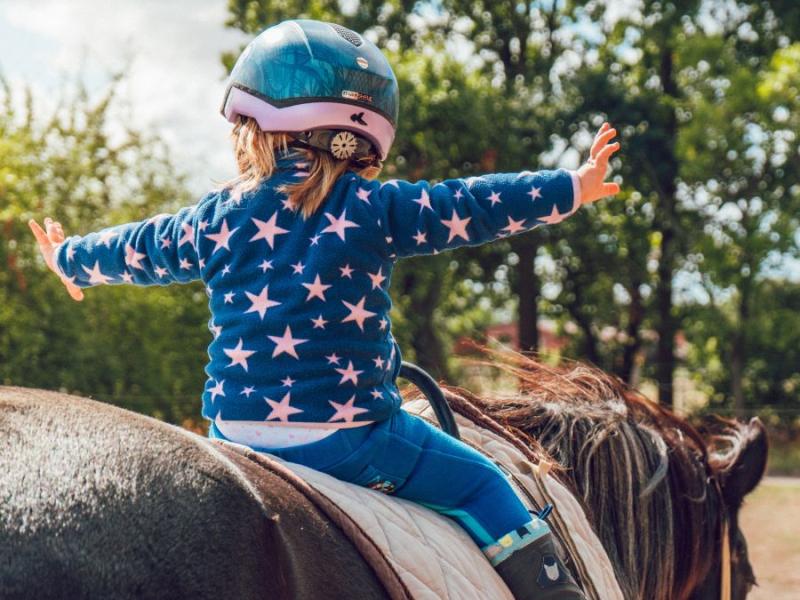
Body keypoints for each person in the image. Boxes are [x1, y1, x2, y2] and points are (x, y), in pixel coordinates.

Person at [30, 19, 620, 600]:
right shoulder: (374, 207)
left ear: (253, 127)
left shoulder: (214, 217)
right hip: (351, 439)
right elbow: (472, 203)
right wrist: (574, 185)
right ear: (363, 138)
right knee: (483, 484)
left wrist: (71, 259)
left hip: (234, 436)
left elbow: (142, 246)